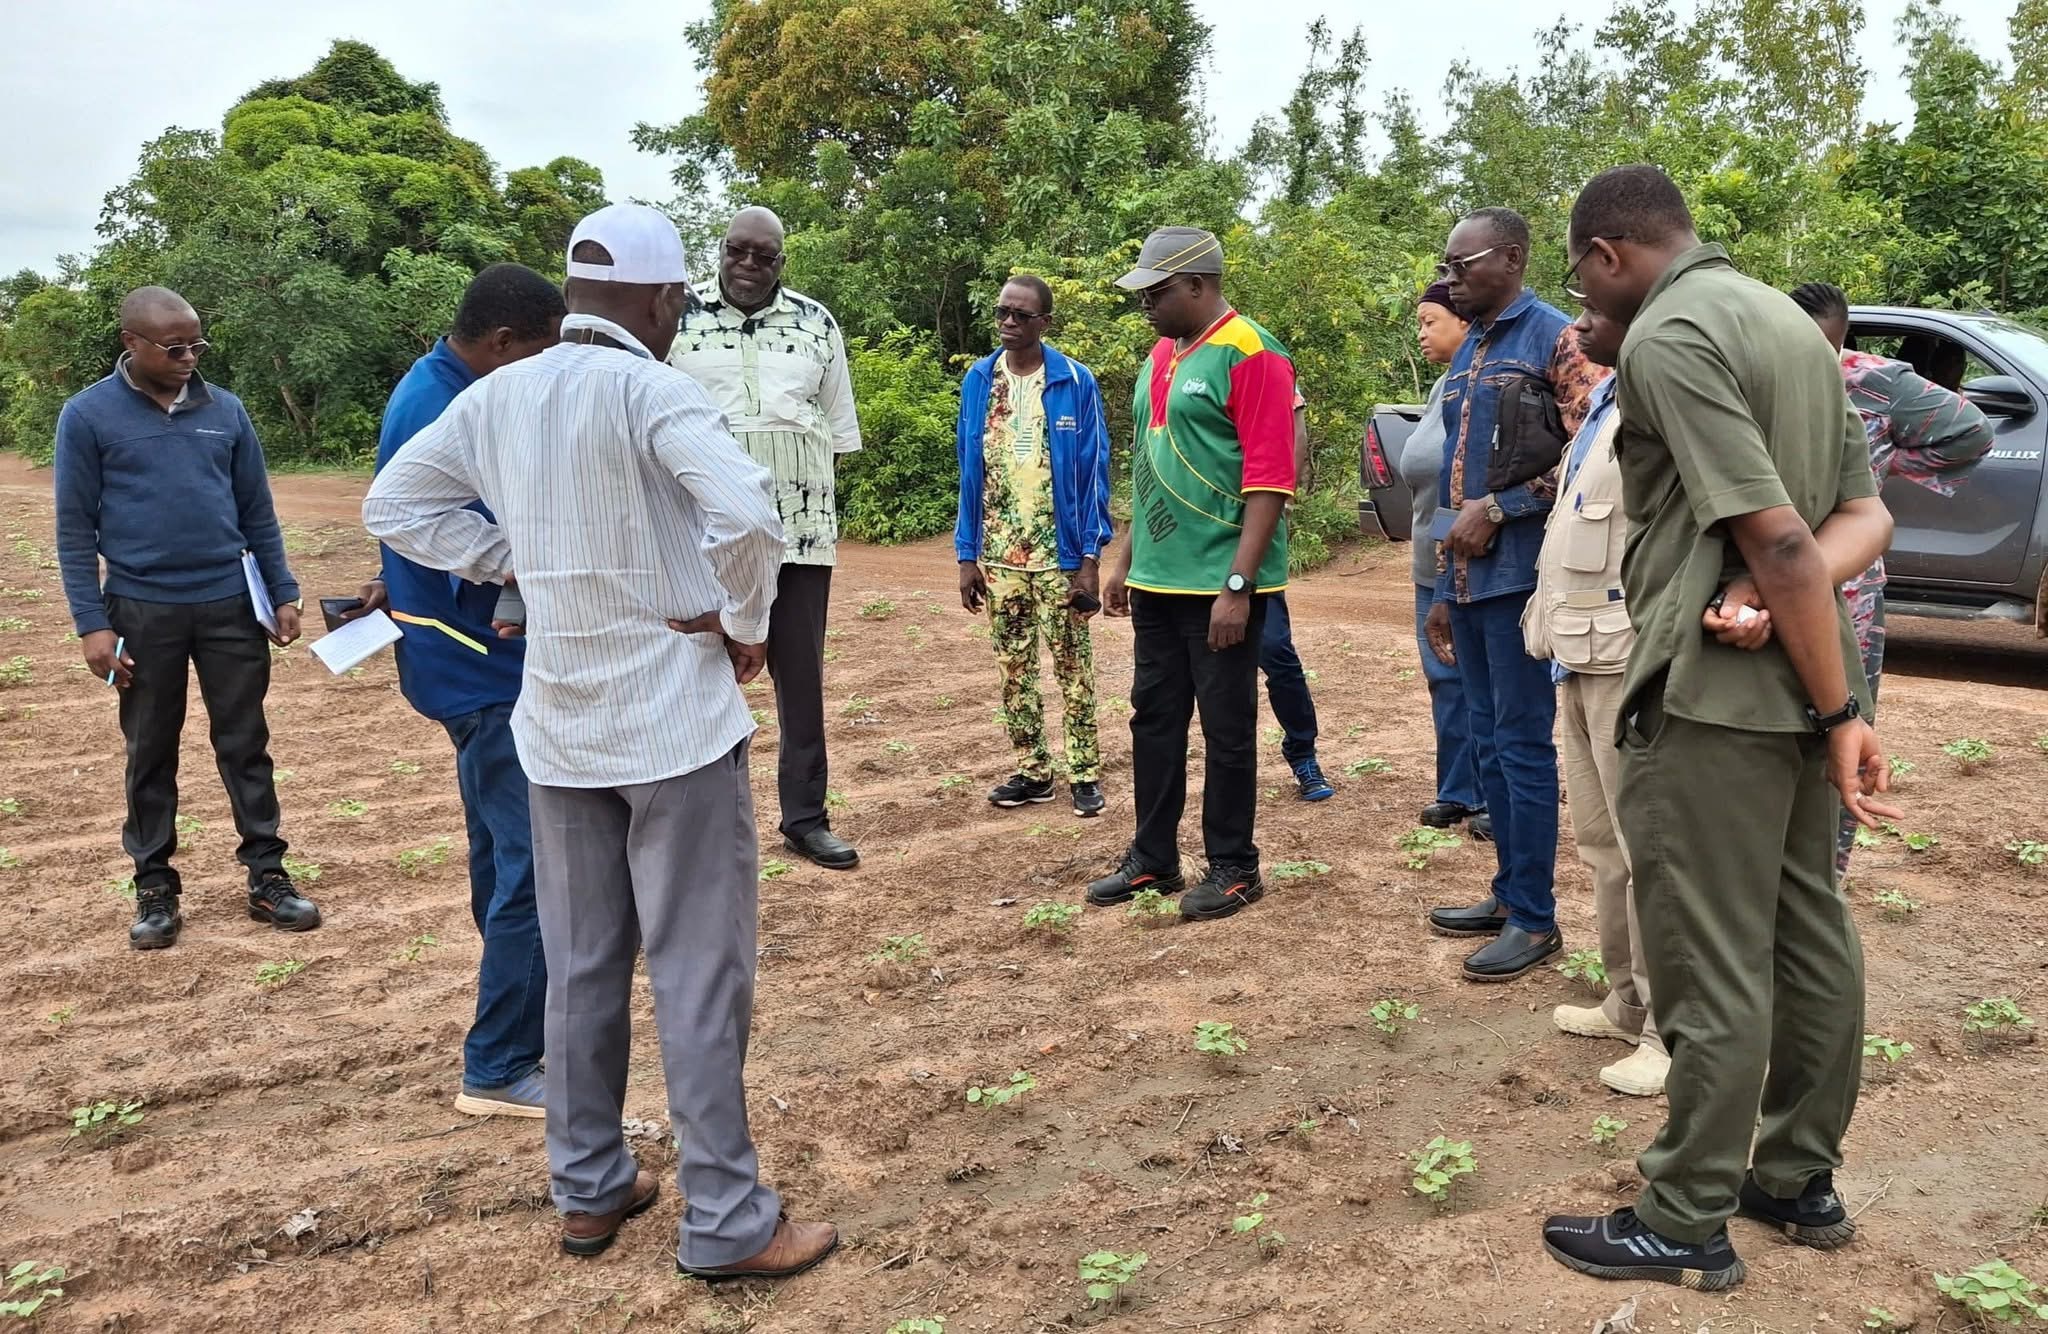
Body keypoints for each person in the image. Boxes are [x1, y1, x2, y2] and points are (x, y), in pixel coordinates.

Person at [365, 204, 837, 1280]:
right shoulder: (654, 389)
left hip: (559, 728)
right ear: (666, 299)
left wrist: (511, 563)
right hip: (671, 723)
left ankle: (588, 1185)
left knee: (580, 965)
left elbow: (395, 505)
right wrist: (745, 622)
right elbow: (749, 516)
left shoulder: (501, 395)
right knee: (698, 970)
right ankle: (723, 1216)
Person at [1541, 165, 1900, 1290]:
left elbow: (1788, 542)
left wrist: (1778, 610)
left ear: (1607, 255)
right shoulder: (1786, 328)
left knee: (1706, 948)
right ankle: (1795, 1178)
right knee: (1806, 925)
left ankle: (1685, 1212)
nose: (1587, 302)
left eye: (1581, 278)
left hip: (1707, 690)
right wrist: (1826, 683)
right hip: (1793, 671)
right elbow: (1864, 515)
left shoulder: (1670, 334)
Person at [53, 285, 319, 950]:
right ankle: (155, 887)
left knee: (244, 743)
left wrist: (281, 590)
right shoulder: (87, 417)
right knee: (149, 751)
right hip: (140, 611)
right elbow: (73, 528)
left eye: (197, 344)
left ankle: (267, 876)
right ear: (132, 344)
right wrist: (92, 623)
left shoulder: (224, 411)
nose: (189, 357)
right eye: (175, 347)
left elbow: (256, 509)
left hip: (230, 603)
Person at [366, 264, 566, 1119]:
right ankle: (501, 1062)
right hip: (479, 665)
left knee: (499, 851)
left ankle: (522, 1012)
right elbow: (417, 517)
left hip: (457, 662)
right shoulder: (445, 408)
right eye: (541, 353)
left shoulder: (446, 384)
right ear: (502, 344)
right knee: (535, 863)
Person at [1088, 226, 1296, 923]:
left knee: (1227, 728)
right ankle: (1154, 858)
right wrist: (1127, 559)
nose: (1145, 303)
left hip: (1220, 586)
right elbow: (1152, 465)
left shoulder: (1254, 354)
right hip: (1156, 579)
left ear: (1198, 285)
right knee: (1154, 720)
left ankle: (1235, 867)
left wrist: (1238, 587)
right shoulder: (1161, 354)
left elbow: (1270, 479)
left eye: (1156, 291)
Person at [1424, 208, 1600, 982]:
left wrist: (1503, 508)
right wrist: (1440, 587)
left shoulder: (1558, 339)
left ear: (1516, 259)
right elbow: (1457, 481)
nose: (1452, 278)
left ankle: (1535, 919)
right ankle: (1506, 894)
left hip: (1524, 577)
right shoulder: (1473, 350)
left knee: (1524, 744)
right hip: (1466, 582)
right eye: (1449, 267)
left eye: (1465, 265)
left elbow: (1598, 449)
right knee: (1489, 741)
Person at [669, 206, 862, 871]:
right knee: (698, 673)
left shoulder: (817, 323)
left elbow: (836, 432)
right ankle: (701, 826)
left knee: (799, 681)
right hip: (704, 538)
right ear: (720, 252)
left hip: (801, 537)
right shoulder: (680, 321)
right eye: (737, 252)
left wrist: (793, 501)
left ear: (783, 261)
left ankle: (805, 819)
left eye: (764, 256)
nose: (748, 266)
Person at [1786, 282, 1992, 875]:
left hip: (1846, 592)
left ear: (1840, 342)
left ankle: (1831, 874)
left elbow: (1969, 433)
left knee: (1846, 726)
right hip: (1769, 581)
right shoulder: (1756, 375)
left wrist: (1889, 462)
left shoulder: (1871, 381)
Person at [1520, 302, 1666, 1098]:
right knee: (1602, 846)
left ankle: (1671, 1032)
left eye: (1591, 309)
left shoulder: (1658, 396)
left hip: (1626, 657)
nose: (1573, 326)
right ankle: (1626, 1000)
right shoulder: (1605, 404)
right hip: (1576, 654)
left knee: (1652, 855)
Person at [954, 274, 1113, 818]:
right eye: (1002, 312)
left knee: (1073, 666)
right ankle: (1033, 771)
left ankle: (1085, 772)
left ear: (1044, 322)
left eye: (1022, 315)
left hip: (1059, 558)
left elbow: (1094, 473)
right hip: (999, 557)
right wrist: (965, 555)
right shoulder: (980, 379)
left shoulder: (1073, 381)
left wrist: (1090, 561)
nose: (1008, 323)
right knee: (1013, 668)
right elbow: (968, 471)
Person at [1402, 283, 1488, 840]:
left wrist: (1442, 546)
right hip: (1428, 564)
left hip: (1467, 560)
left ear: (1464, 323)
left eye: (1431, 321)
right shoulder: (1442, 385)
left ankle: (1492, 794)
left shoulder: (1482, 386)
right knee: (1445, 679)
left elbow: (1462, 491)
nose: (1422, 333)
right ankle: (1458, 789)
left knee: (1481, 679)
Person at [1257, 392, 1334, 803]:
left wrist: (1281, 491)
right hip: (1195, 542)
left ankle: (1302, 753)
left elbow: (1294, 428)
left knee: (1276, 653)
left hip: (1256, 531)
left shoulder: (1261, 357)